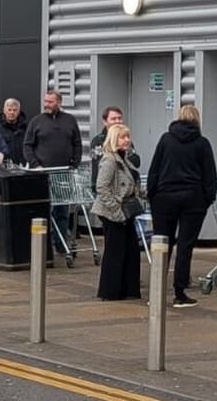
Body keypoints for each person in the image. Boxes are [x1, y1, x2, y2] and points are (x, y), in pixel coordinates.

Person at [146, 104, 217, 309]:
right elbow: (210, 175)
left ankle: (157, 291)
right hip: (192, 199)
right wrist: (207, 199)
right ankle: (180, 292)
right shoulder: (202, 143)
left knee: (162, 245)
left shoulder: (165, 139)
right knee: (185, 246)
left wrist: (152, 193)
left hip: (164, 197)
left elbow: (155, 169)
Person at [23, 91, 83, 255]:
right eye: (45, 101)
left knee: (62, 211)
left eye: (50, 102)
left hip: (63, 173)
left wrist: (74, 163)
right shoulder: (37, 121)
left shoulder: (70, 120)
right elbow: (27, 145)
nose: (46, 104)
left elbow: (77, 144)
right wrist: (36, 164)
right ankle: (43, 245)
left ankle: (61, 244)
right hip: (42, 174)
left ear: (59, 102)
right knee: (43, 210)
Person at [91, 124, 144, 301]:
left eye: (128, 137)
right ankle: (110, 291)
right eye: (123, 137)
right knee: (115, 252)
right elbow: (102, 187)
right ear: (114, 139)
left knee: (131, 251)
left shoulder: (125, 159)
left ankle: (129, 289)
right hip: (113, 212)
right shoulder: (109, 160)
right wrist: (116, 210)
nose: (127, 140)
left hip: (126, 211)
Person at [90, 107, 137, 190]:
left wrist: (127, 151)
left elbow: (136, 163)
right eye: (113, 119)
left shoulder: (126, 141)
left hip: (124, 186)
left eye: (119, 118)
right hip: (107, 187)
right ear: (105, 121)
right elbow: (98, 164)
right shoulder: (98, 141)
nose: (117, 121)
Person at [0, 98, 28, 164]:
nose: (12, 112)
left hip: (22, 167)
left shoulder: (26, 127)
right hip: (3, 167)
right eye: (9, 110)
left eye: (15, 110)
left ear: (19, 111)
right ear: (4, 110)